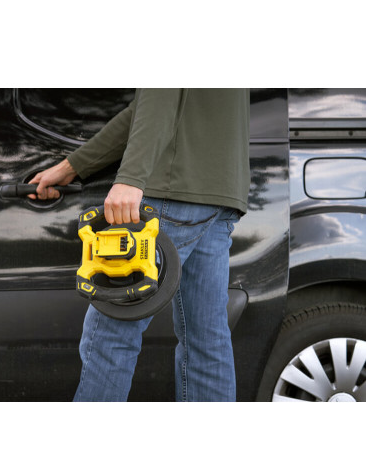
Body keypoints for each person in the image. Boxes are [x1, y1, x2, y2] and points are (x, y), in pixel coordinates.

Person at [29, 89, 250, 401]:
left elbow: (160, 94)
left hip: (171, 190)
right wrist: (72, 167)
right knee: (206, 339)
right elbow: (144, 108)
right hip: (220, 194)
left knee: (111, 333)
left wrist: (130, 178)